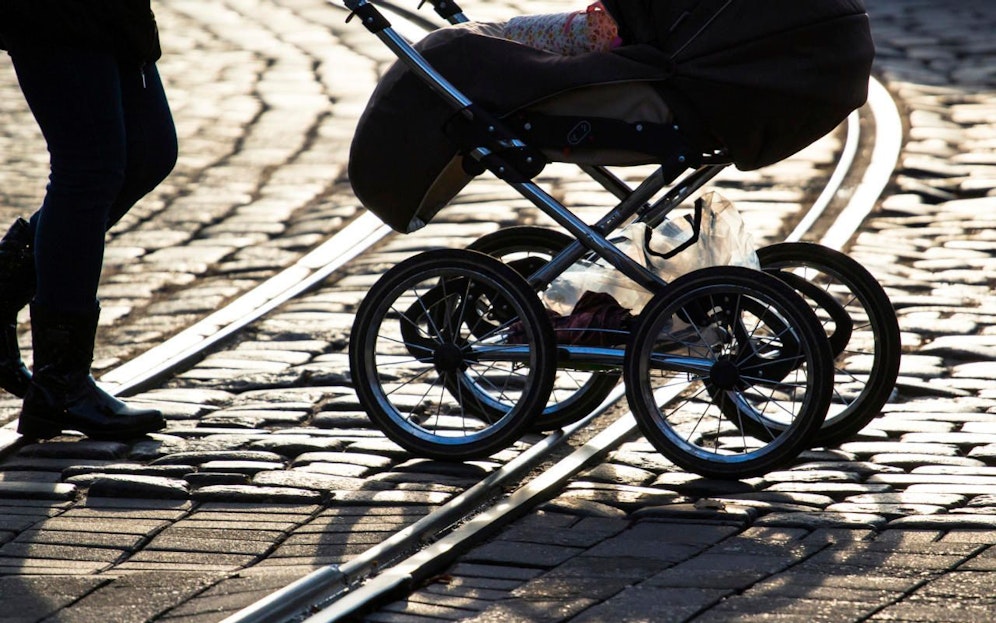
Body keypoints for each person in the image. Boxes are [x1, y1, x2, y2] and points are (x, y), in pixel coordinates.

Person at [0, 1, 177, 440]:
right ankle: (60, 386)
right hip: (55, 12)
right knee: (89, 166)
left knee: (148, 153)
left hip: (111, 10)